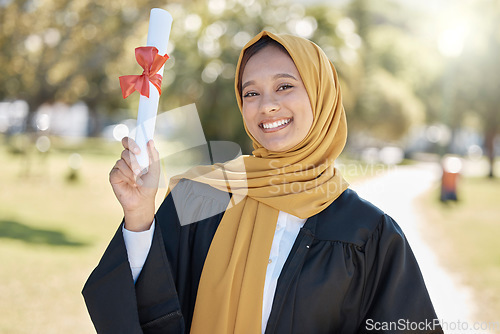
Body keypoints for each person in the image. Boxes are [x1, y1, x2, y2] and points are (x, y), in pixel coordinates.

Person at [83, 31, 443, 334]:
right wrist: (140, 216)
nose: (266, 105)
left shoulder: (368, 233)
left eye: (284, 86)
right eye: (251, 93)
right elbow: (144, 309)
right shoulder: (202, 196)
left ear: (321, 96)